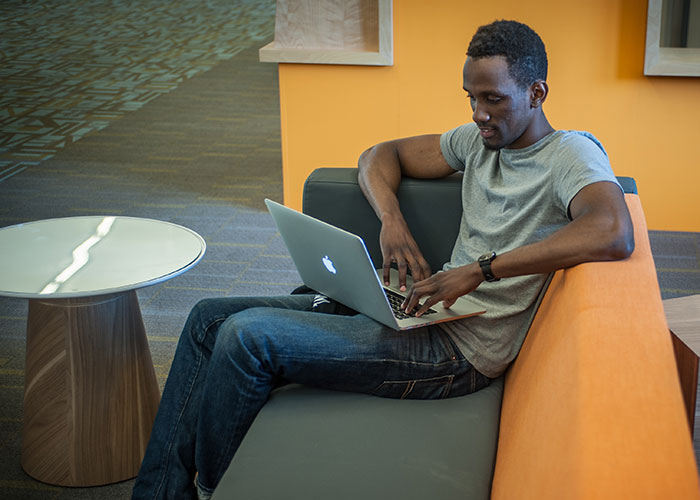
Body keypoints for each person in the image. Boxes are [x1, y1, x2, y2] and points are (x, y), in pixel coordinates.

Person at [132, 19, 634, 500]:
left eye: (493, 99)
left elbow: (612, 231)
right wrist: (391, 221)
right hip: (422, 312)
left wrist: (480, 269)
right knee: (205, 318)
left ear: (537, 93)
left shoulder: (571, 154)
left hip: (458, 356)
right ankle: (158, 493)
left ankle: (214, 489)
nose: (479, 113)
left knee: (246, 336)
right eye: (471, 97)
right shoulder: (480, 143)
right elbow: (379, 154)